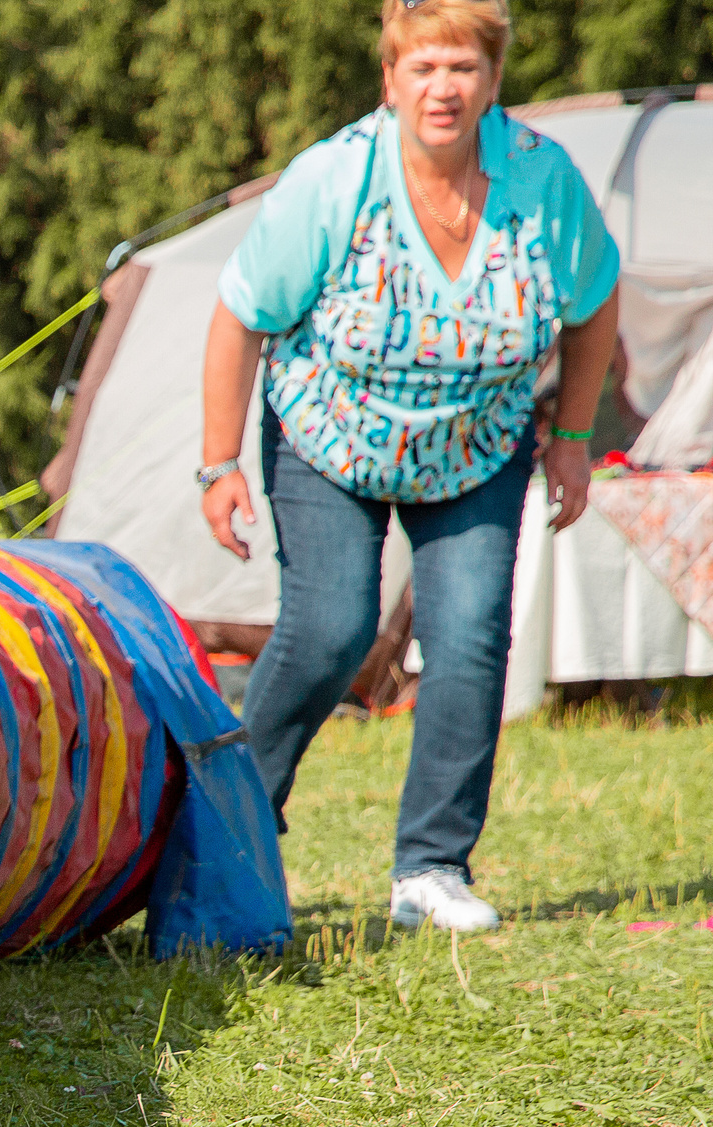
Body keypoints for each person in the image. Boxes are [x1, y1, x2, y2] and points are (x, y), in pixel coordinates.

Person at [199, 0, 618, 934]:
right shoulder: (334, 178)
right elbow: (240, 313)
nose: (443, 88)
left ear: (493, 80)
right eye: (423, 68)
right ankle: (226, 839)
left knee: (468, 639)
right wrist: (217, 464)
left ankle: (432, 869)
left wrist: (573, 436)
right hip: (331, 439)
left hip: (476, 447)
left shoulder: (542, 181)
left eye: (463, 67)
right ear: (390, 79)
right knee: (330, 628)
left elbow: (594, 301)